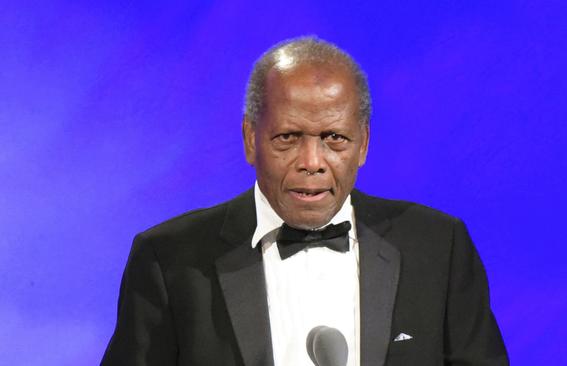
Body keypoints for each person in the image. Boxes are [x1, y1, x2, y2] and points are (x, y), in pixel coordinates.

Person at [102, 36, 508, 366]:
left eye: (334, 139)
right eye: (288, 138)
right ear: (250, 140)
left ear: (363, 144)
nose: (312, 162)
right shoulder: (169, 259)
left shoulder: (438, 247)